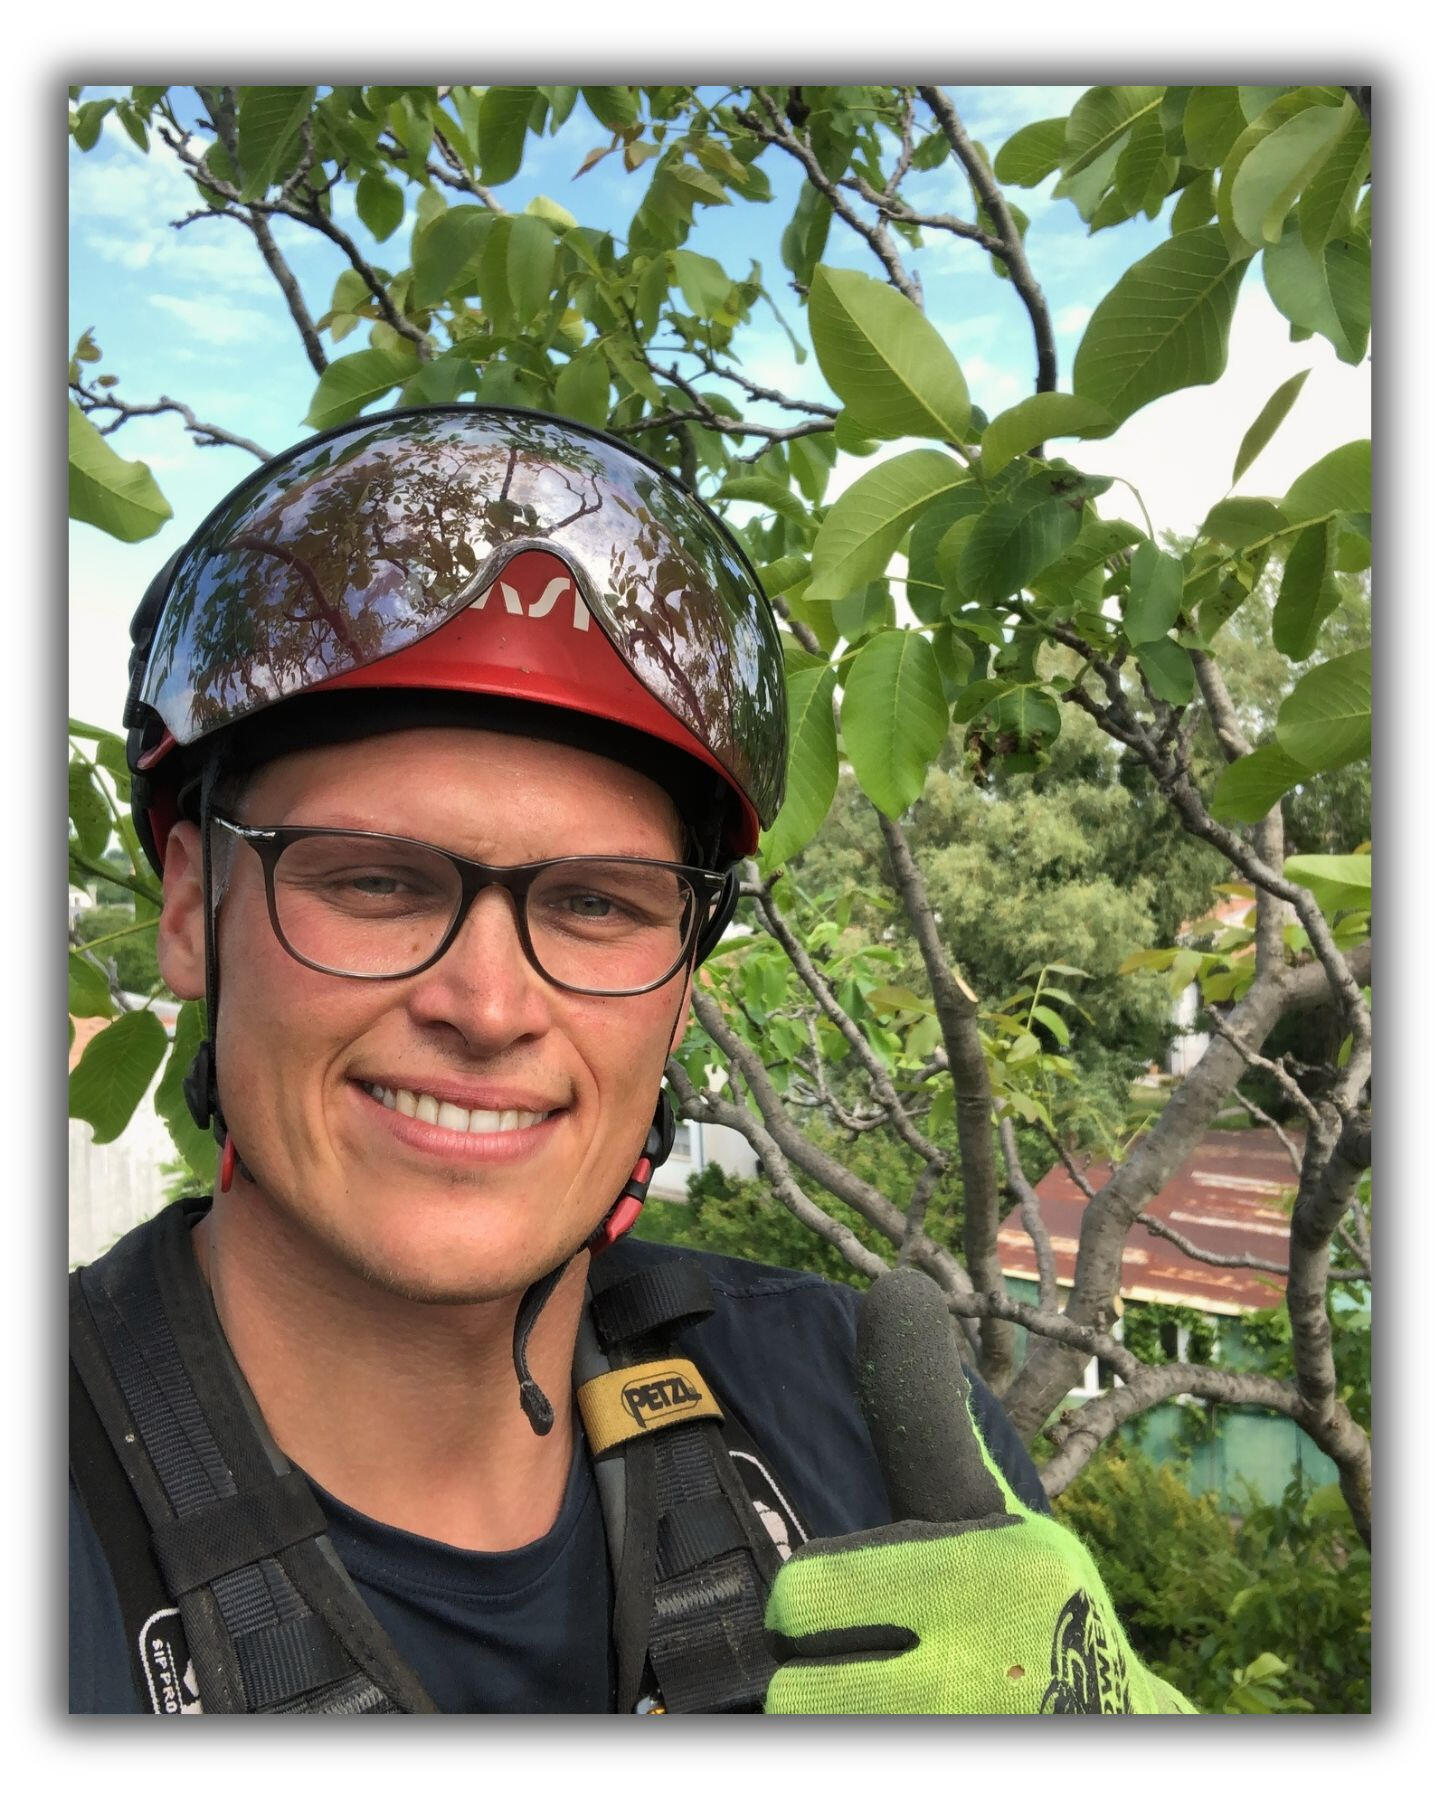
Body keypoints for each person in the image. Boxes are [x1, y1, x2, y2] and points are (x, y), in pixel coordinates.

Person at [69, 406, 1192, 1716]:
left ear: (682, 983)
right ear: (190, 908)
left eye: (596, 904)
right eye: (375, 882)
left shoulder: (866, 1432)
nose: (489, 1007)